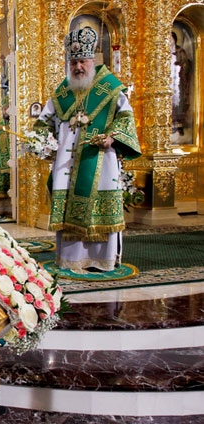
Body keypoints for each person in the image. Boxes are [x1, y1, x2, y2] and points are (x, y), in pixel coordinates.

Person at [33, 26, 141, 273]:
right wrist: (42, 143)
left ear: (92, 60)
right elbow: (42, 122)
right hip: (66, 166)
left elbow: (126, 118)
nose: (78, 67)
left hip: (101, 161)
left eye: (82, 61)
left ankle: (102, 260)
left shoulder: (111, 89)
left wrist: (112, 138)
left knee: (99, 209)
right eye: (73, 62)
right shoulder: (62, 93)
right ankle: (71, 260)